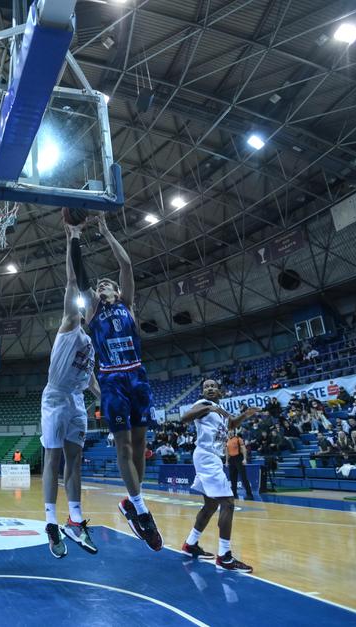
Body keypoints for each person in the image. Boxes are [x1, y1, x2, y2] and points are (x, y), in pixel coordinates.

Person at [84, 213, 160, 550]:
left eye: (107, 284)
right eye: (99, 287)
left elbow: (126, 265)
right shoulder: (92, 315)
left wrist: (105, 231)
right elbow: (82, 283)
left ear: (117, 290)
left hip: (137, 375)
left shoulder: (127, 305)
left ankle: (131, 502)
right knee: (125, 447)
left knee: (140, 446)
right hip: (112, 381)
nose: (103, 287)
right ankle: (141, 509)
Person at [41, 222, 102, 558]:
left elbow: (89, 377)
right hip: (54, 396)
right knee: (53, 457)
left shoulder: (92, 342)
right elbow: (72, 281)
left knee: (74, 460)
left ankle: (75, 520)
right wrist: (72, 238)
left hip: (76, 399)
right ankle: (51, 521)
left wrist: (100, 396)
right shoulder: (69, 323)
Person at [179, 380, 258, 572]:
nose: (210, 388)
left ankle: (190, 544)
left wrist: (245, 415)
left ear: (219, 390)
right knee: (228, 503)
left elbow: (230, 424)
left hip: (210, 457)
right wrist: (208, 410)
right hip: (207, 456)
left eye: (213, 386)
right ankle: (224, 556)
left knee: (211, 504)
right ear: (203, 392)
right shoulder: (205, 405)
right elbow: (184, 417)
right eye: (206, 387)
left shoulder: (219, 409)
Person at [225, 428, 253, 500]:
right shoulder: (227, 440)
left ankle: (249, 494)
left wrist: (244, 459)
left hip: (239, 458)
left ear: (233, 432)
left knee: (243, 477)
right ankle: (234, 494)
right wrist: (227, 461)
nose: (230, 432)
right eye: (229, 431)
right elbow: (227, 452)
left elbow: (243, 449)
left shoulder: (238, 439)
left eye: (231, 431)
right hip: (231, 459)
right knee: (232, 478)